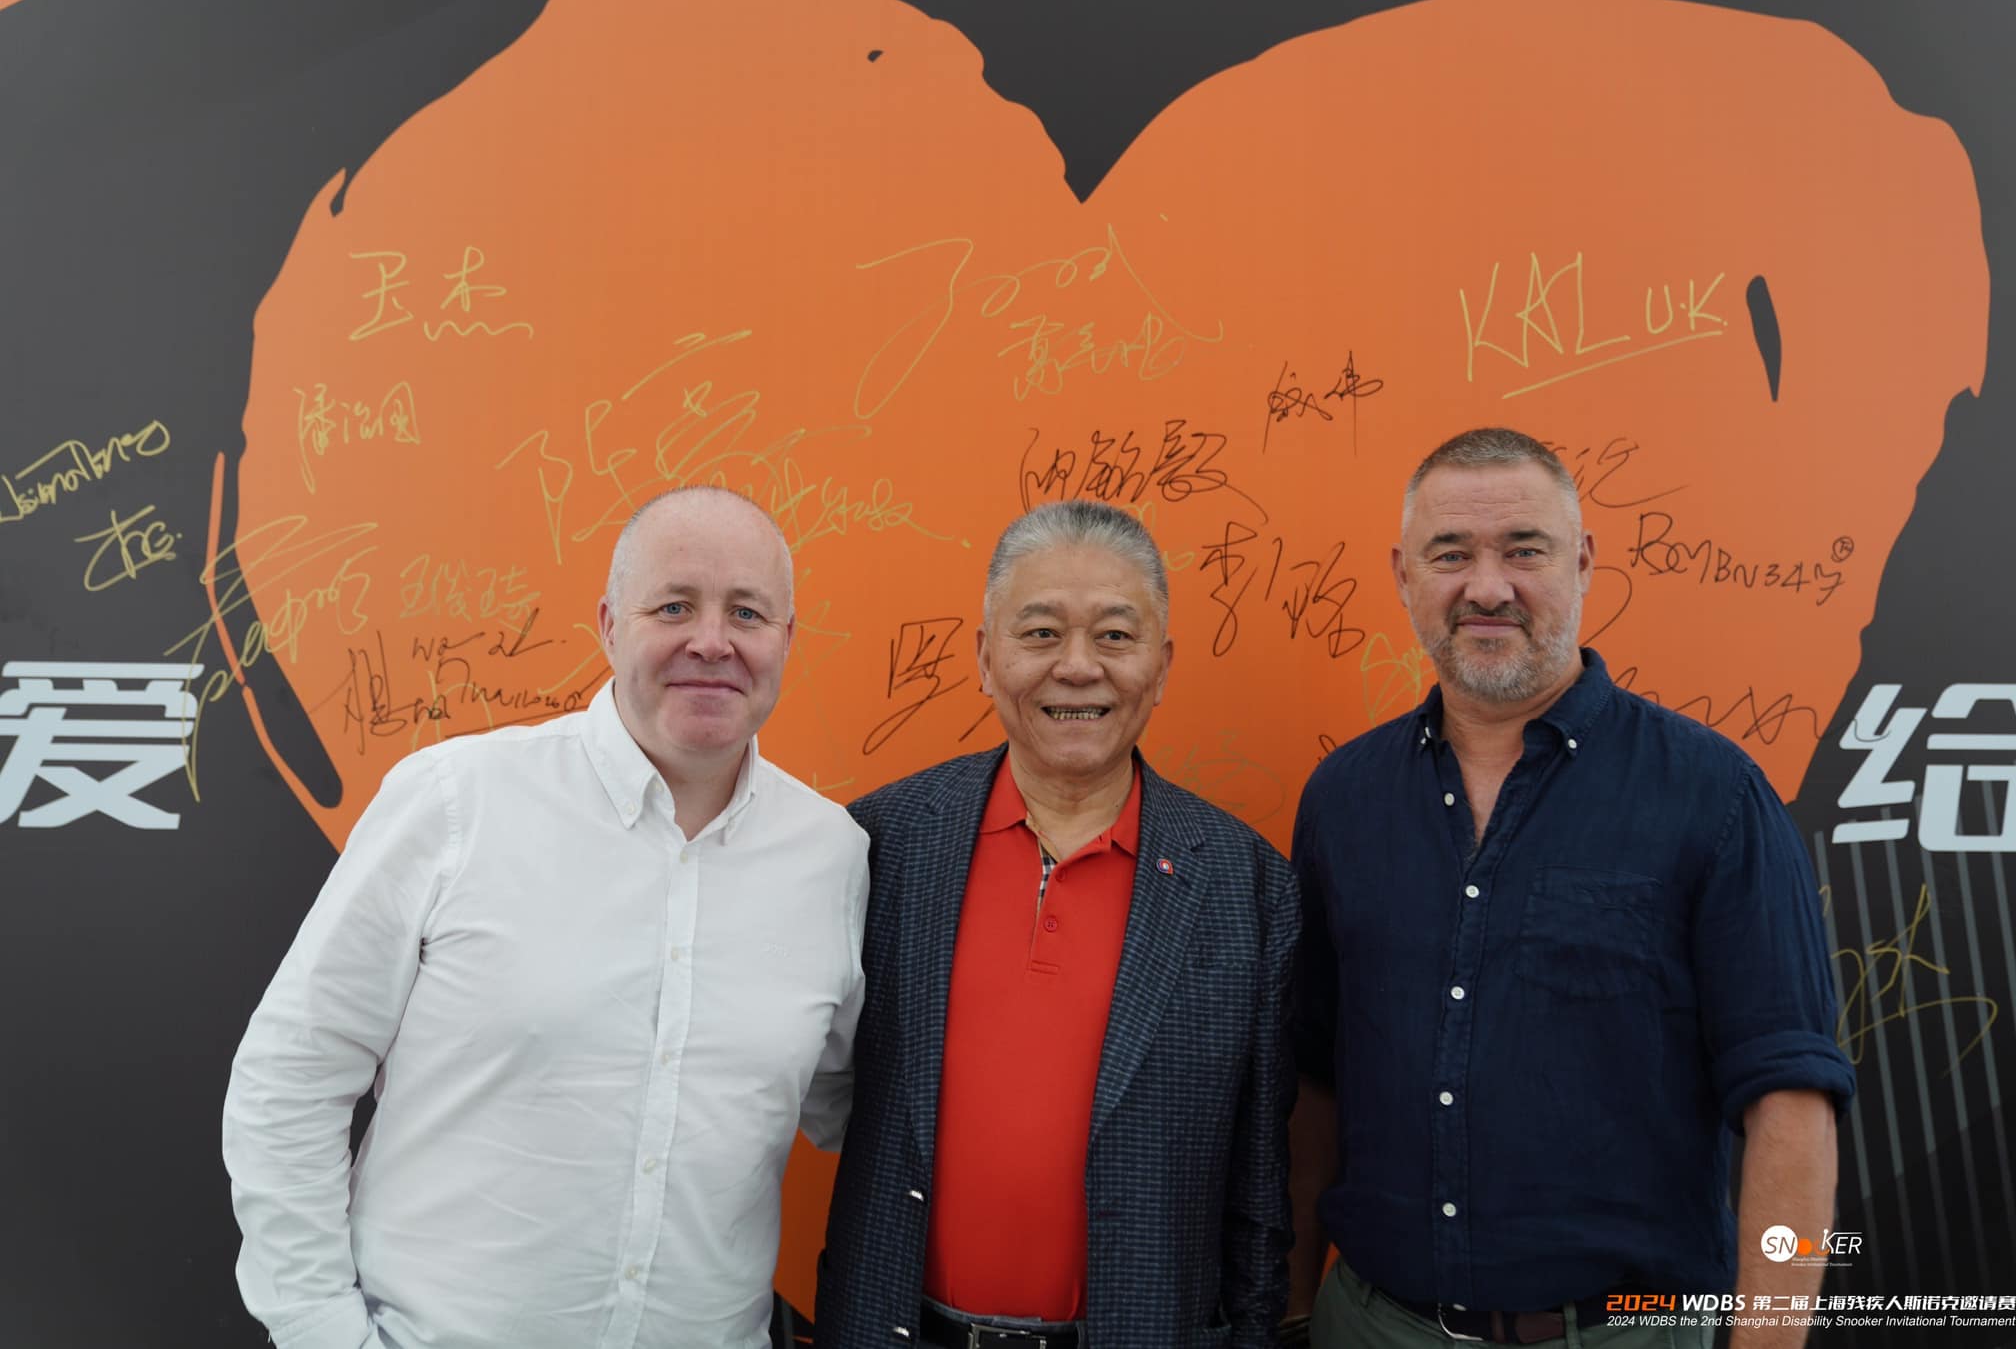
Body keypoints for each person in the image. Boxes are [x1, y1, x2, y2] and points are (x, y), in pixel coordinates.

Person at [223, 487, 869, 1349]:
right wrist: (321, 1331)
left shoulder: (831, 856)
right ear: (608, 625)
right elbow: (289, 1079)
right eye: (674, 605)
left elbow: (854, 1108)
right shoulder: (456, 802)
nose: (711, 641)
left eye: (746, 613)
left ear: (786, 640)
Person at [1287, 428, 1855, 1348]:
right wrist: (1294, 1306)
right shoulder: (1343, 801)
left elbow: (1790, 1099)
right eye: (1451, 554)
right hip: (1371, 1325)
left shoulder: (1712, 795)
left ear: (1583, 562)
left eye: (1524, 550)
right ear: (1403, 574)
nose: (1487, 586)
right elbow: (1313, 1080)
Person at [815, 499, 1297, 1349]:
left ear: (1163, 662)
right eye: (1040, 633)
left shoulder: (1247, 886)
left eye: (1115, 635)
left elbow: (1260, 1187)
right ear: (985, 657)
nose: (1078, 668)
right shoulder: (876, 847)